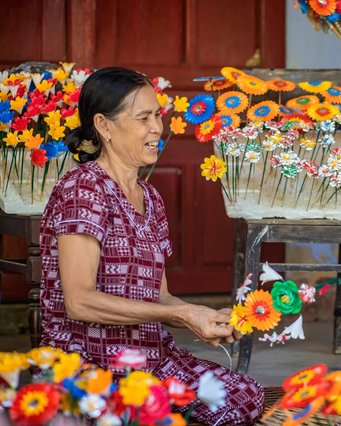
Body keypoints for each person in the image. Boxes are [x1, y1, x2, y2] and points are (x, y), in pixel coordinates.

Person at [39, 67, 264, 425]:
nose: (157, 127)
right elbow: (78, 302)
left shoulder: (150, 197)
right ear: (104, 125)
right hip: (90, 361)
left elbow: (158, 297)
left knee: (244, 398)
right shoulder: (83, 190)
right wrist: (179, 315)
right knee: (146, 413)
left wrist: (199, 316)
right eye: (143, 117)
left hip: (151, 357)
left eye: (157, 115)